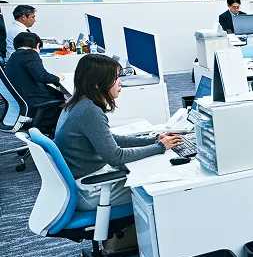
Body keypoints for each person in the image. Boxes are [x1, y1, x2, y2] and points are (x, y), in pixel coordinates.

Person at [55, 54, 182, 211]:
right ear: (97, 84)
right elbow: (116, 157)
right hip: (91, 189)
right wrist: (160, 147)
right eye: (115, 78)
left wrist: (153, 140)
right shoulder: (89, 111)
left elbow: (109, 139)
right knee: (162, 188)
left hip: (85, 179)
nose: (120, 82)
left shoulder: (76, 103)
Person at [3, 32, 65, 126]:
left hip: (22, 102)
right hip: (34, 103)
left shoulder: (14, 56)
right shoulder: (29, 53)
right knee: (65, 97)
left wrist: (50, 76)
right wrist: (58, 78)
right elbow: (41, 76)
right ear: (37, 45)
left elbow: (34, 74)